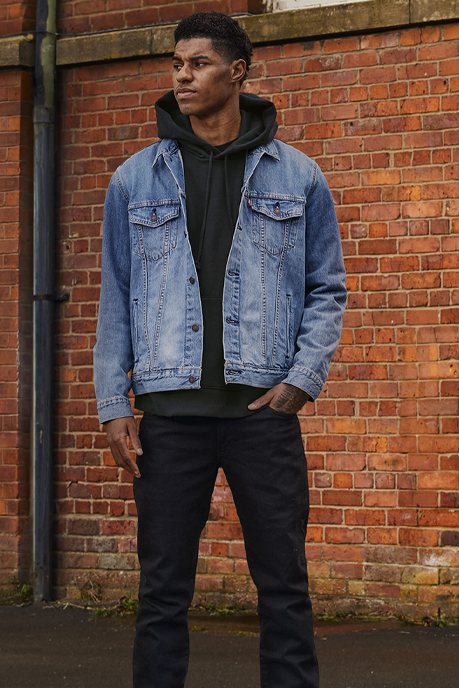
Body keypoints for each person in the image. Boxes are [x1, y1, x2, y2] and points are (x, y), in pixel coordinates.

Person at [94, 11, 346, 688]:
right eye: (176, 63)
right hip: (170, 419)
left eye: (199, 63)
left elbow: (328, 288)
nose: (183, 75)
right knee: (162, 590)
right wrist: (114, 403)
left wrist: (301, 378)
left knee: (283, 586)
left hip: (262, 412)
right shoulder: (133, 180)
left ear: (238, 71)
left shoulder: (297, 176)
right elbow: (115, 297)